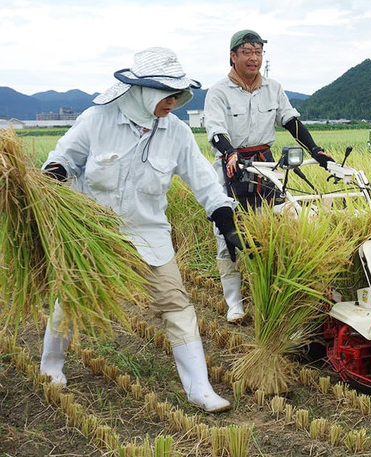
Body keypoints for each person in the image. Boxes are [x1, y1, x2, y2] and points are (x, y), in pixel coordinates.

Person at [39, 47, 244, 413]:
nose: (176, 103)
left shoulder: (176, 132)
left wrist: (223, 217)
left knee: (176, 303)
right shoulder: (97, 119)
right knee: (70, 298)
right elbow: (65, 158)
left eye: (180, 96)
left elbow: (204, 180)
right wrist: (52, 175)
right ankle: (50, 368)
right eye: (169, 95)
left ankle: (200, 389)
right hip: (95, 231)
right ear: (145, 90)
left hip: (149, 233)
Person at [204, 30, 334, 323]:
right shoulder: (219, 91)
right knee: (228, 235)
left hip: (266, 165)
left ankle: (275, 290)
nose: (254, 58)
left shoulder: (273, 88)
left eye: (258, 52)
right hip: (232, 165)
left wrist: (315, 150)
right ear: (233, 56)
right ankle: (234, 303)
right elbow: (215, 130)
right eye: (247, 52)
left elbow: (290, 120)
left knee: (282, 223)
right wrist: (230, 154)